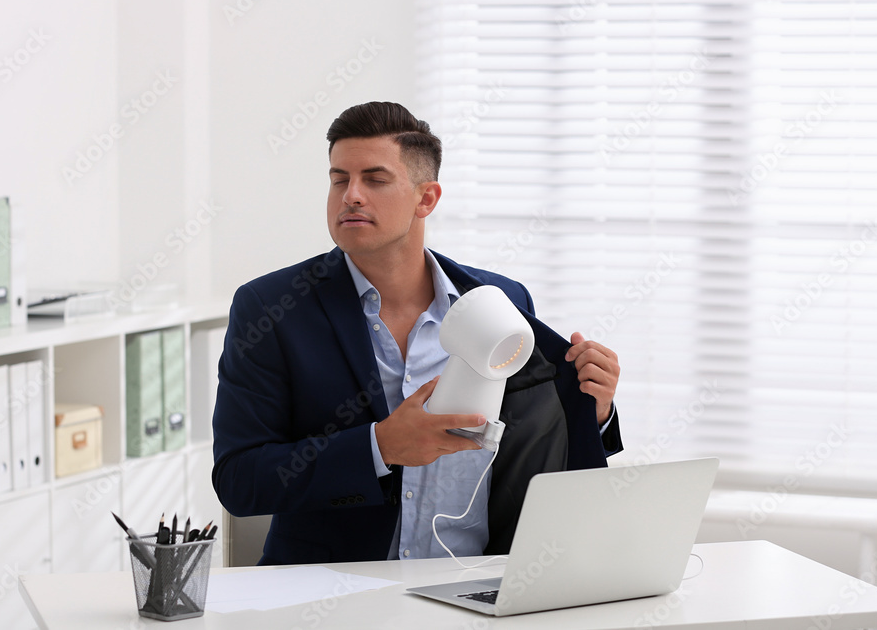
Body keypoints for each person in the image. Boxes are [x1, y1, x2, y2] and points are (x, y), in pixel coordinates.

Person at [212, 101, 623, 565]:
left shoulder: (502, 299)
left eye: (375, 179)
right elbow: (239, 479)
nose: (351, 195)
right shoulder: (271, 308)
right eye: (339, 179)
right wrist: (380, 446)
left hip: (475, 584)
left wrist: (597, 408)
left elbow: (540, 434)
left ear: (426, 198)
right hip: (329, 596)